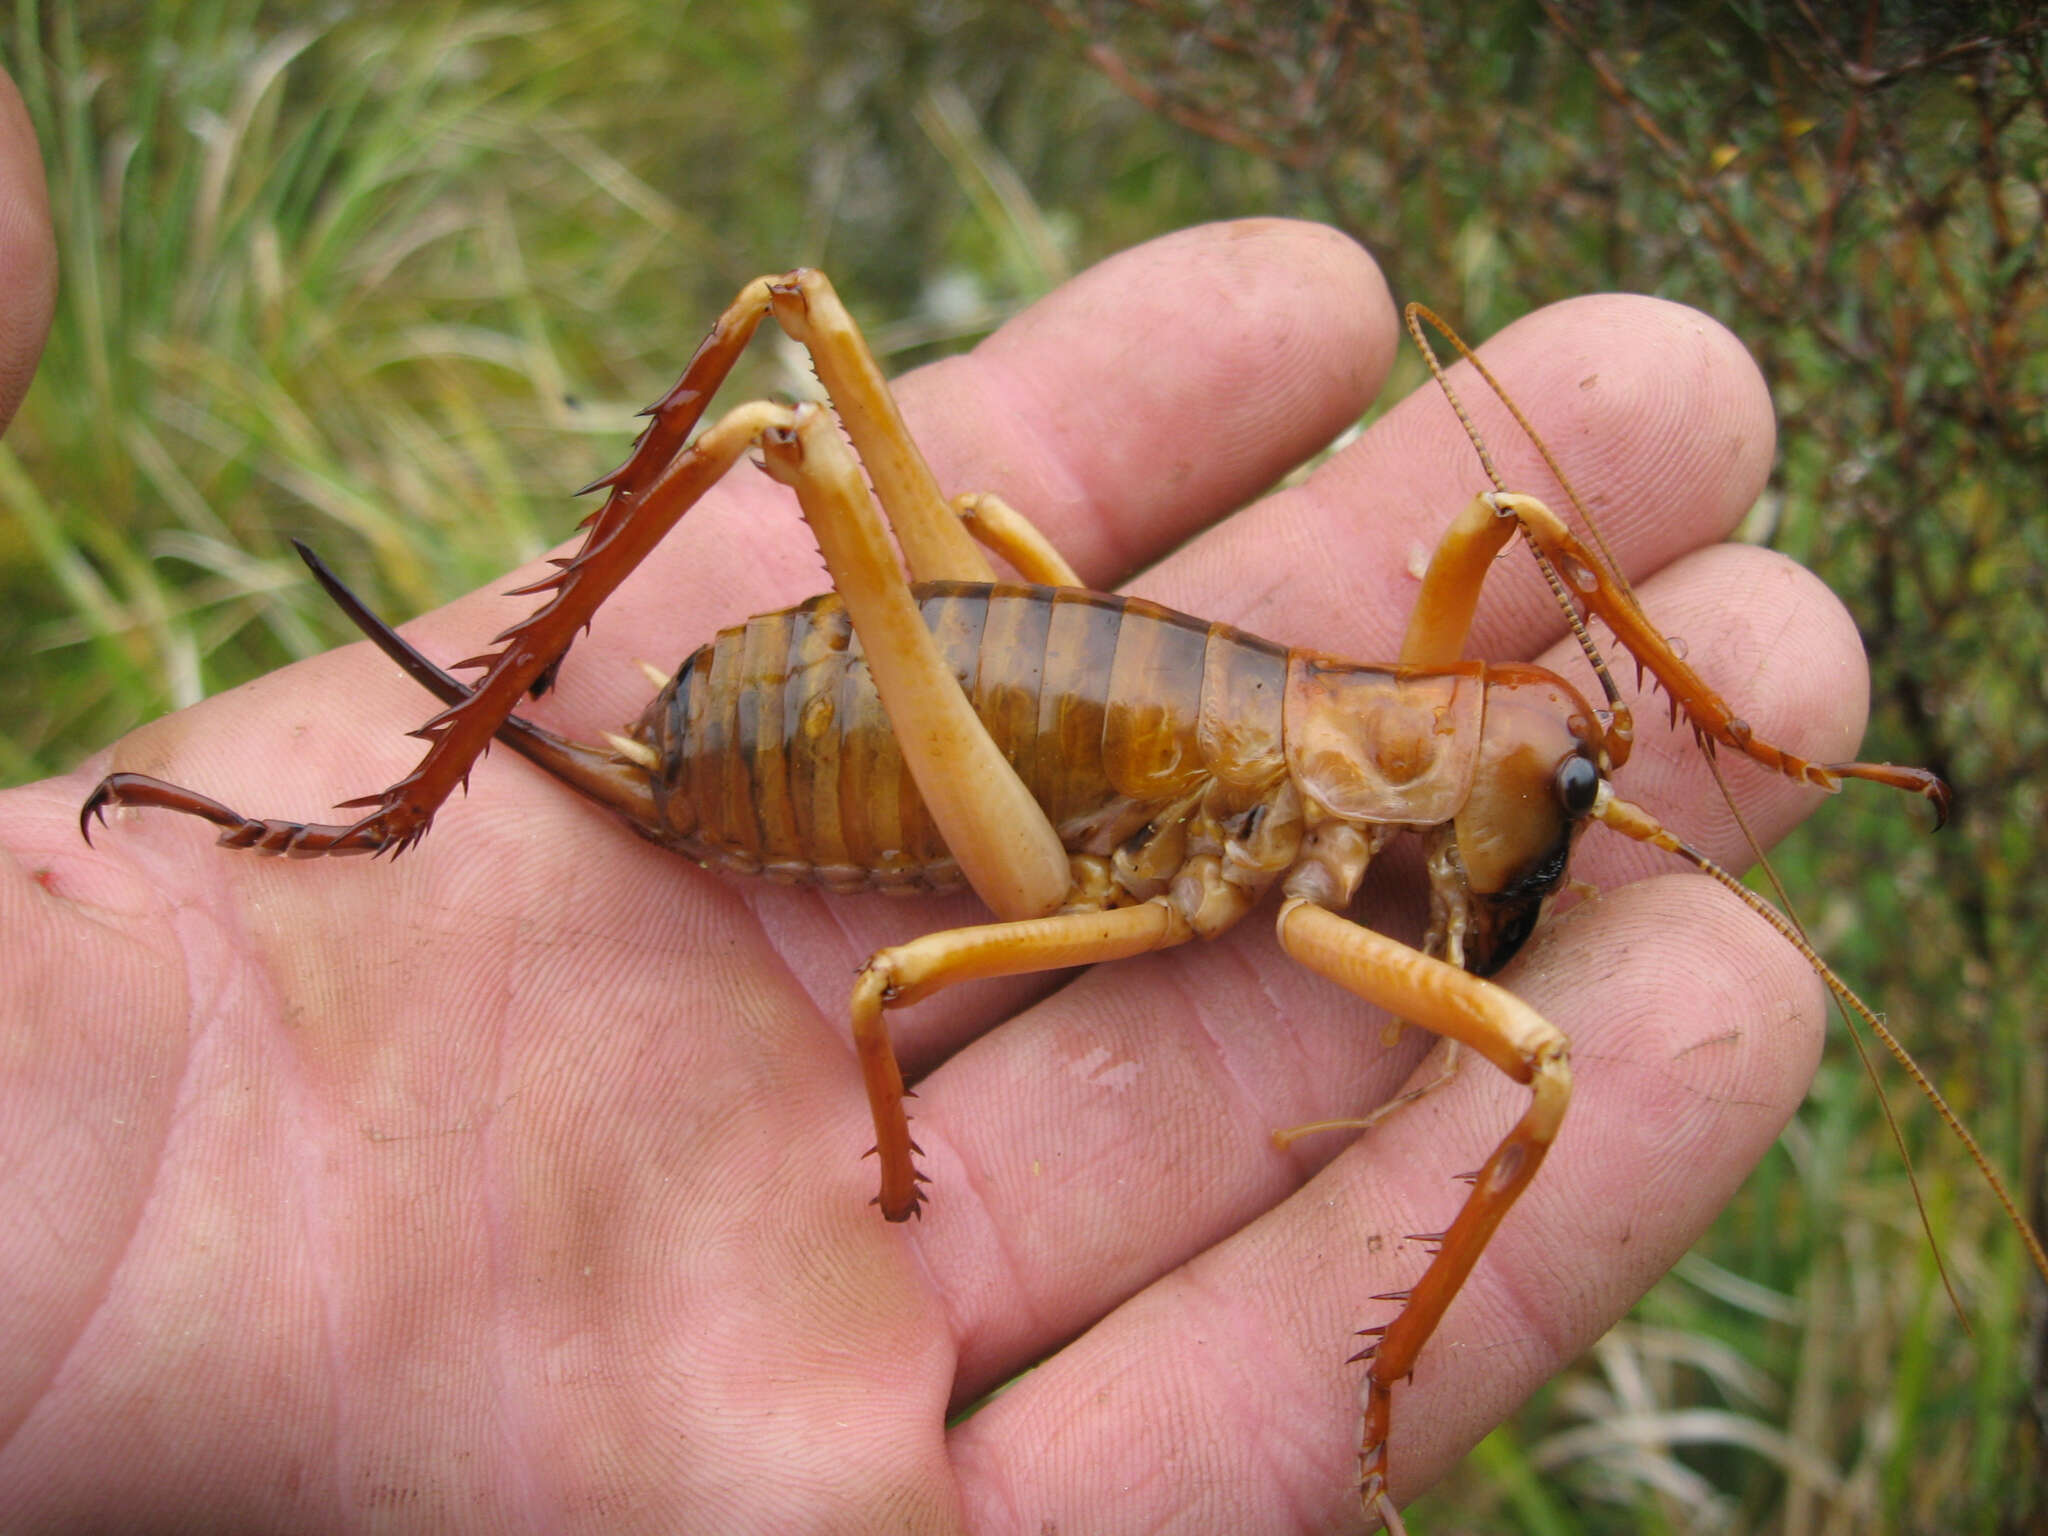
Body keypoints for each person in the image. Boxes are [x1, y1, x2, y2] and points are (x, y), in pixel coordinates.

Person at [0, 59, 1868, 1532]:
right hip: (902, 763)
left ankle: (438, 776)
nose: (1532, 826)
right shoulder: (1300, 891)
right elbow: (921, 995)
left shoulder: (1353, 819)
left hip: (1023, 700)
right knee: (781, 374)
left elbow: (1528, 526)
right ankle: (397, 812)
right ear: (1448, 746)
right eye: (1539, 795)